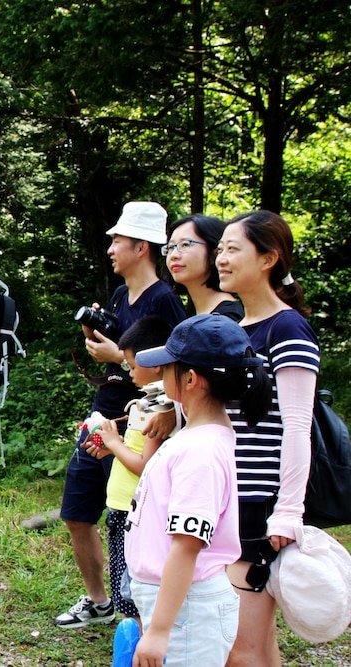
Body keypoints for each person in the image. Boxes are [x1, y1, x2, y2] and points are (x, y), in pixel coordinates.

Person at [55, 201, 187, 628]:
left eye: (118, 240)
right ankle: (99, 601)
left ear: (142, 247)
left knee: (133, 522)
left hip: (142, 426)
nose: (110, 247)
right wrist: (95, 339)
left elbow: (176, 370)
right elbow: (116, 361)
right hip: (105, 416)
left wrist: (118, 356)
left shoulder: (166, 301)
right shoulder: (118, 294)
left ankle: (143, 611)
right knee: (77, 510)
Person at [125, 313, 271, 667]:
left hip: (186, 611)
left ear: (190, 379)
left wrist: (160, 630)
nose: (160, 373)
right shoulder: (196, 437)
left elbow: (187, 545)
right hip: (176, 603)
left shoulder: (200, 453)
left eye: (168, 366)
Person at [215, 210, 320, 667]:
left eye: (233, 248)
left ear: (269, 259)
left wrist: (288, 511)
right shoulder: (236, 329)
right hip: (227, 496)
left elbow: (298, 425)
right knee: (256, 643)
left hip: (259, 502)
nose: (221, 257)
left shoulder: (288, 328)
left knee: (241, 649)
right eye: (219, 248)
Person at [84, 315, 175, 627]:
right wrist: (114, 447)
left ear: (158, 364)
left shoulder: (160, 407)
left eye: (133, 366)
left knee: (132, 597)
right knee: (128, 588)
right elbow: (137, 453)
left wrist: (112, 440)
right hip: (123, 505)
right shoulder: (150, 401)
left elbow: (145, 465)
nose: (130, 373)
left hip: (133, 510)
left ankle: (137, 647)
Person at [164, 213, 244, 320]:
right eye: (171, 247)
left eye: (185, 244)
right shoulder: (199, 314)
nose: (173, 255)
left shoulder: (227, 318)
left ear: (215, 253)